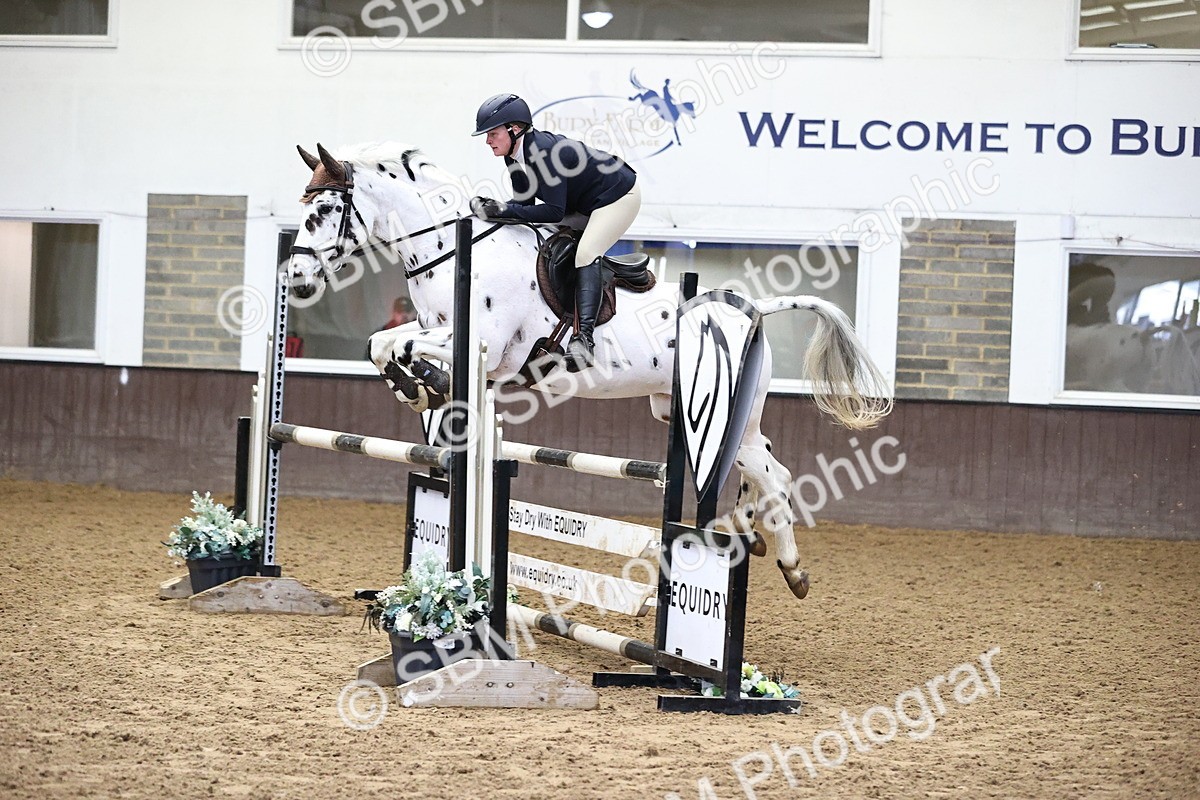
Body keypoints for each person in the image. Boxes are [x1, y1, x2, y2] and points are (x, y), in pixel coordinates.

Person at [468, 93, 641, 371]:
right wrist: (497, 208)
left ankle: (584, 341)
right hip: (583, 204)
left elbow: (552, 212)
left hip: (617, 196)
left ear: (514, 129)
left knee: (585, 253)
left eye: (493, 133)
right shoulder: (514, 156)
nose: (488, 141)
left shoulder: (543, 152)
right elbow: (523, 204)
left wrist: (505, 210)